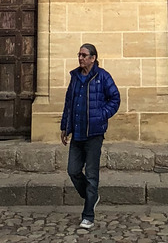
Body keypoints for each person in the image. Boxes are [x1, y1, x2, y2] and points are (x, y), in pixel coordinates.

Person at [60, 43, 120, 230]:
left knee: (92, 175)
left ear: (93, 58)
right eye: (79, 55)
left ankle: (88, 216)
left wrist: (101, 114)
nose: (80, 58)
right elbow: (69, 102)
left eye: (84, 55)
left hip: (94, 133)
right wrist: (65, 127)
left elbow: (115, 99)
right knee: (73, 170)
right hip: (77, 133)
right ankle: (91, 197)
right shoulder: (75, 77)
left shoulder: (103, 77)